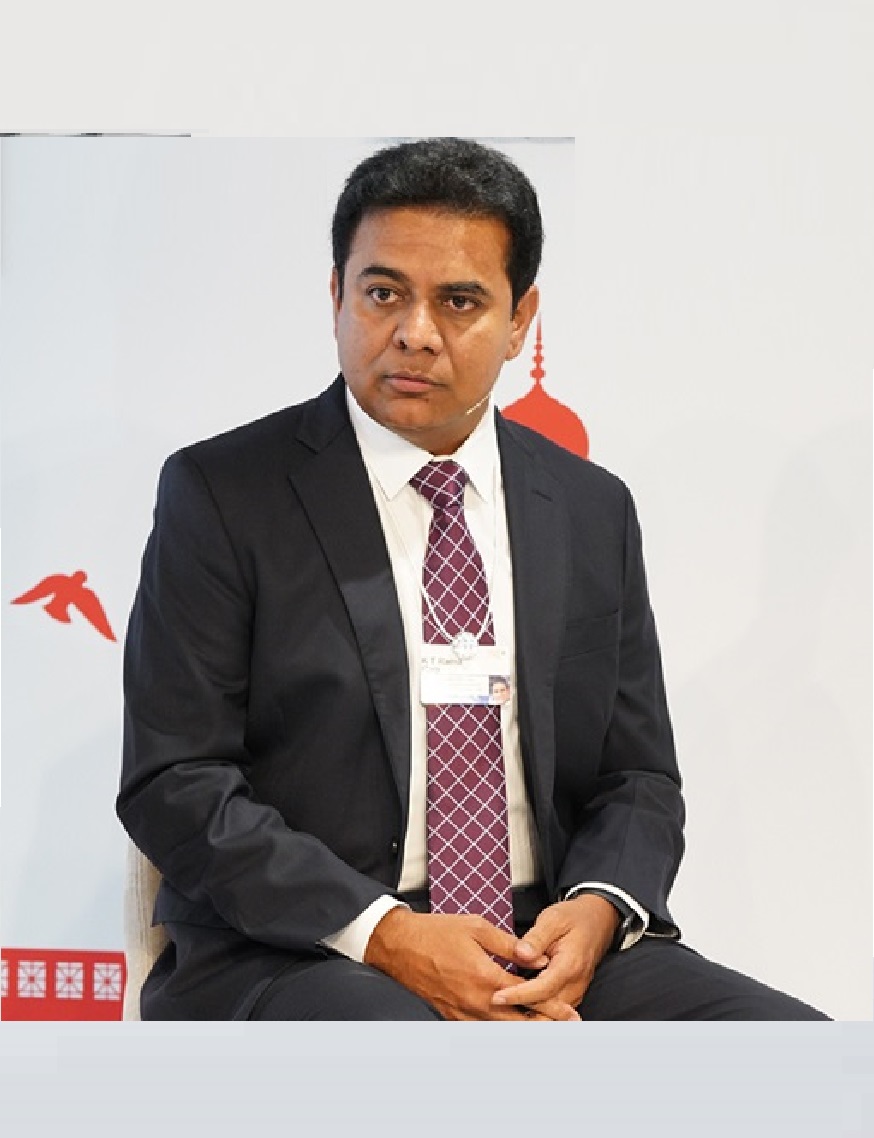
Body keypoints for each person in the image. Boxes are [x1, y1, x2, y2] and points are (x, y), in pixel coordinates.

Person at [117, 137, 827, 1021]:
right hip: (306, 948)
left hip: (542, 944)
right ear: (336, 296)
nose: (414, 332)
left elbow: (638, 779)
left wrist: (599, 909)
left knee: (802, 1057)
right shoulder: (225, 493)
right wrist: (386, 933)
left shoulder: (590, 508)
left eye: (459, 301)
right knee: (423, 1070)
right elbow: (177, 780)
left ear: (521, 319)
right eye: (383, 293)